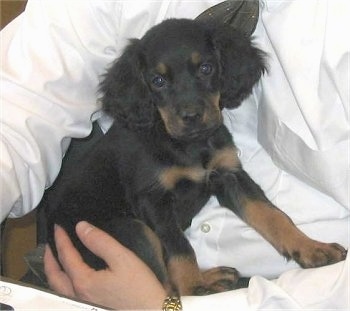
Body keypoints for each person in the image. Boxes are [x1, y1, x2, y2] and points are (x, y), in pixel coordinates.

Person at [1, 0, 349, 310]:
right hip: (94, 260)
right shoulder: (150, 146)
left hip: (298, 294)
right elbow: (20, 104)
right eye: (160, 83)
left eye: (206, 70)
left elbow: (237, 188)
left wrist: (165, 305)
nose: (189, 110)